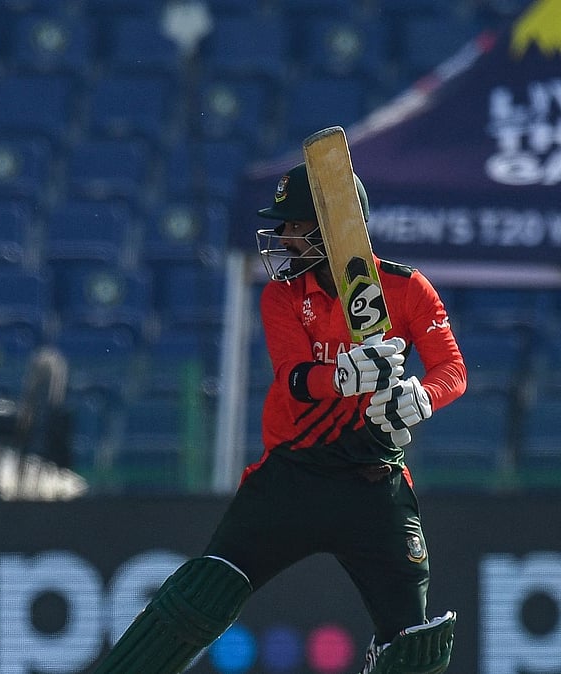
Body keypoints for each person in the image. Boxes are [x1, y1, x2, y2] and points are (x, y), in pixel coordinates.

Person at [94, 163, 466, 674]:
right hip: (292, 476)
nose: (285, 237)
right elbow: (293, 377)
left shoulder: (407, 288)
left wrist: (422, 396)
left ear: (334, 228)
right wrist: (342, 376)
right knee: (201, 593)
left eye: (294, 224)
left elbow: (452, 369)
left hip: (373, 484)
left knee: (413, 647)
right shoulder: (284, 295)